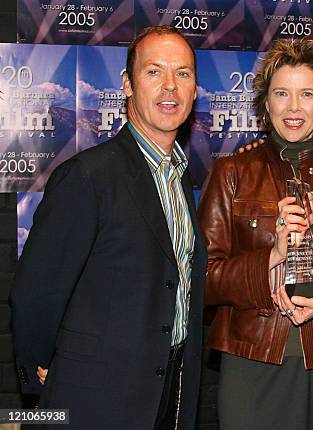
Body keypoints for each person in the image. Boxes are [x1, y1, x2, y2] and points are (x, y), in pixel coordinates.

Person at [10, 25, 206, 429]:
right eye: (154, 72)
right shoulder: (87, 176)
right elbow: (35, 294)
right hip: (95, 396)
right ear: (128, 85)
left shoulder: (181, 177)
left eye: (183, 73)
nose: (170, 86)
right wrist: (48, 367)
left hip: (170, 389)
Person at [198, 37, 313, 430]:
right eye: (282, 93)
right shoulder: (232, 175)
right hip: (250, 362)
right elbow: (204, 280)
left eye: (307, 94)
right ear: (266, 104)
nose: (294, 108)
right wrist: (273, 255)